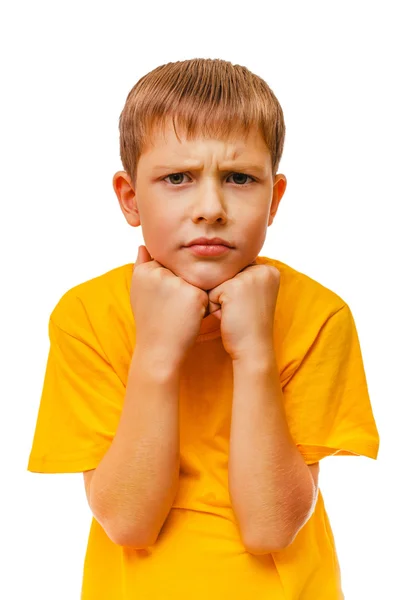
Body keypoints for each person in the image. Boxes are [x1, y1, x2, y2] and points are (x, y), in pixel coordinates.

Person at [27, 57, 380, 599]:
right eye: (177, 178)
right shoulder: (87, 317)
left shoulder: (318, 316)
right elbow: (127, 523)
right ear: (129, 198)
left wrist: (256, 353)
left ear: (274, 199)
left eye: (239, 178)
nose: (210, 208)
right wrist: (156, 353)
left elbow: (270, 528)